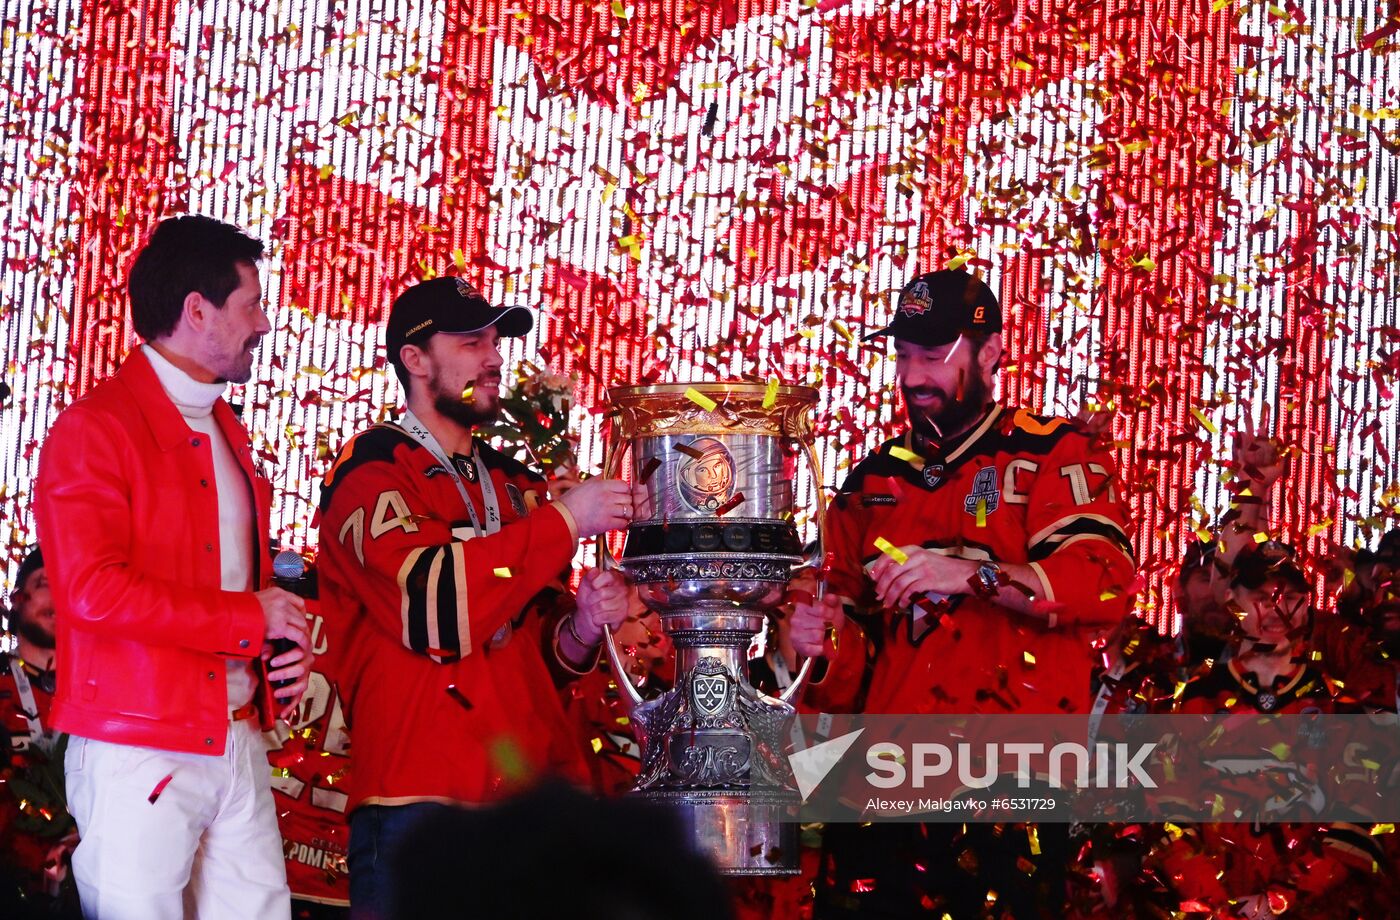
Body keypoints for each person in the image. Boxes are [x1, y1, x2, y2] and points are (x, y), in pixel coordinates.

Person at [790, 269, 1137, 918]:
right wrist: (816, 643)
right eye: (903, 355)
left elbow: (1107, 580)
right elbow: (841, 670)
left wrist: (972, 575)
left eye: (932, 356)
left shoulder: (1051, 454)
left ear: (991, 352)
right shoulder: (872, 482)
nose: (912, 376)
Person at [314, 276, 639, 919]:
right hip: (418, 801)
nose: (493, 357)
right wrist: (565, 523)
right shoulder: (372, 471)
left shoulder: (512, 483)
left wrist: (578, 626)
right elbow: (435, 609)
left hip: (529, 803)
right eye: (470, 341)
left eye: (496, 340)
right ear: (414, 359)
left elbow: (534, 650)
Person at [33, 215, 313, 919]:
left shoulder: (226, 426)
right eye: (251, 303)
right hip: (137, 744)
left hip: (235, 736)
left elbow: (229, 583)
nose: (265, 322)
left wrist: (281, 644)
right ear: (198, 310)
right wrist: (249, 617)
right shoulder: (95, 428)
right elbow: (91, 590)